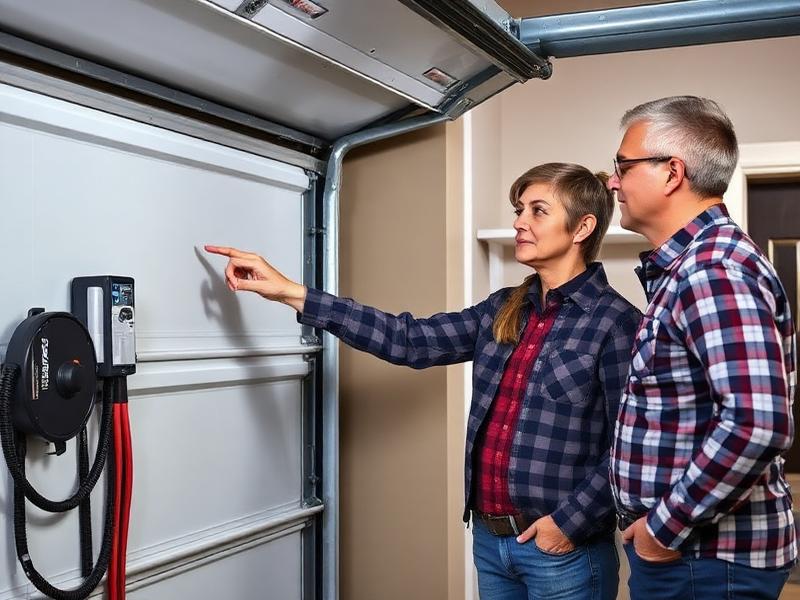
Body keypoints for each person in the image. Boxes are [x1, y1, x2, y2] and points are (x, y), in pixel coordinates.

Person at [206, 162, 640, 600]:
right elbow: (408, 339)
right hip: (491, 544)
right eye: (518, 209)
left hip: (561, 553)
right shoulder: (502, 308)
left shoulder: (616, 323)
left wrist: (567, 525)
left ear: (582, 226)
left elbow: (630, 447)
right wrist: (290, 292)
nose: (519, 222)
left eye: (537, 211)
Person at [608, 96, 797, 599]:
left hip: (704, 562)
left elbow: (758, 423)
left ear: (672, 173)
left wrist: (662, 530)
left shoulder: (712, 269)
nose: (612, 182)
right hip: (693, 560)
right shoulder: (697, 264)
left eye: (622, 166)